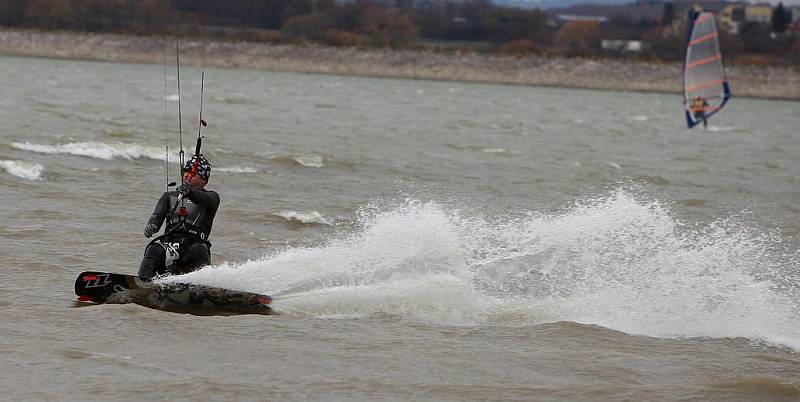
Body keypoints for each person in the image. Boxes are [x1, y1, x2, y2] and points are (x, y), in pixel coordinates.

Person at [138, 155, 220, 280]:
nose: (187, 175)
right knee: (154, 249)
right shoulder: (169, 196)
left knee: (199, 249)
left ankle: (205, 285)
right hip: (172, 247)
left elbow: (204, 199)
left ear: (204, 179)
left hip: (194, 246)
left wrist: (190, 192)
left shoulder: (212, 197)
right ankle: (143, 283)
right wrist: (152, 226)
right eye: (186, 171)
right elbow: (156, 217)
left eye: (193, 173)